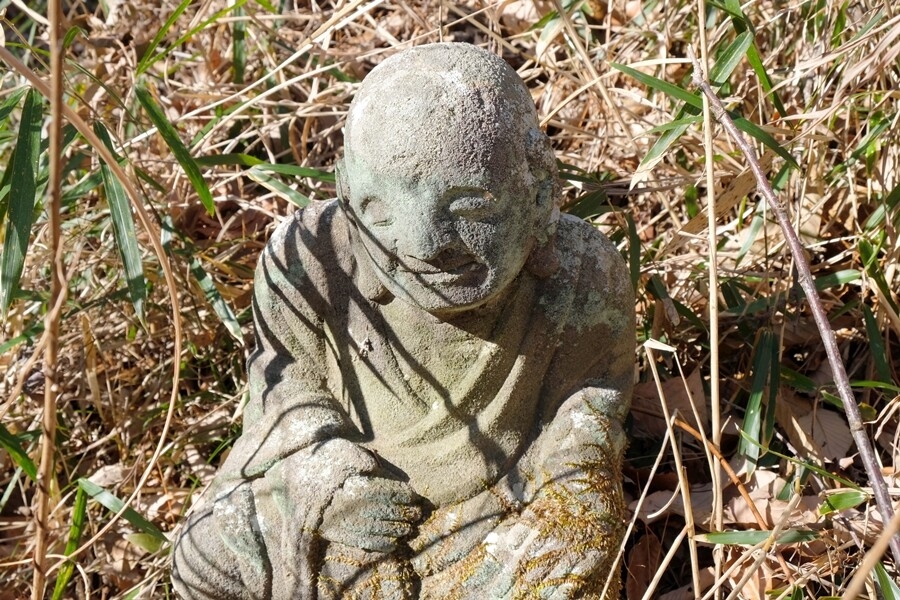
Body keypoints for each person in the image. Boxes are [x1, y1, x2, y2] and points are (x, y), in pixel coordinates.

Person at [172, 42, 634, 600]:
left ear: (539, 198)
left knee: (574, 549)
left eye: (469, 207)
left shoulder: (582, 274)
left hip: (491, 512)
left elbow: (588, 405)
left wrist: (574, 491)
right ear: (345, 193)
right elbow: (282, 398)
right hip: (347, 510)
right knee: (204, 555)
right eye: (380, 212)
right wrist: (331, 481)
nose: (423, 244)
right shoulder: (309, 259)